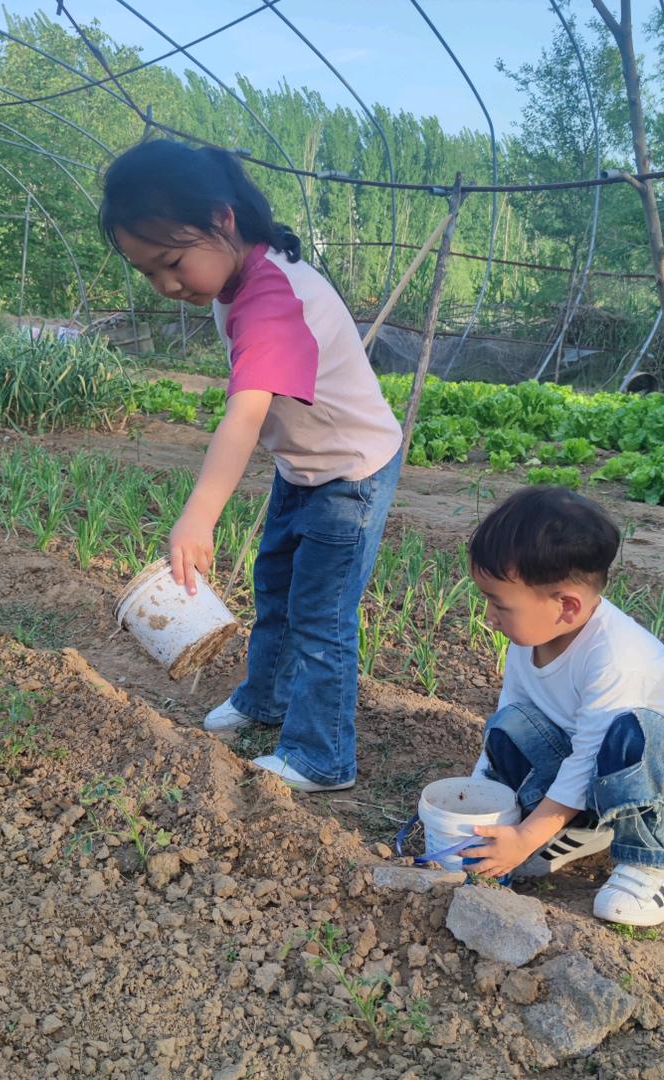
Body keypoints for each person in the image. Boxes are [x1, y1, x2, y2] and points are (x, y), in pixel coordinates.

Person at [100, 139, 402, 793]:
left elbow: (242, 416)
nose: (167, 285)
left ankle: (321, 756)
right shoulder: (238, 277)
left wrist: (198, 517)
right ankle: (265, 698)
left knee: (321, 613)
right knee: (276, 589)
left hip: (350, 473)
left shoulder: (272, 297)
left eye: (173, 263)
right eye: (149, 272)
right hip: (305, 465)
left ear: (223, 220)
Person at [463, 486, 664, 926]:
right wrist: (481, 799)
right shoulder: (529, 638)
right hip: (602, 770)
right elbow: (512, 714)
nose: (489, 617)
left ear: (567, 607)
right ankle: (588, 827)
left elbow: (593, 751)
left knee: (633, 730)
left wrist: (527, 835)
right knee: (509, 723)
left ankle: (653, 862)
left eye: (499, 604)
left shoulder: (618, 657)